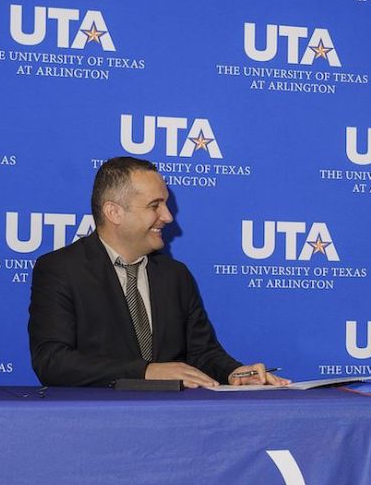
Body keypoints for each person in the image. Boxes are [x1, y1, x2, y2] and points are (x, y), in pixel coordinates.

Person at [28, 156, 286, 388]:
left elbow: (202, 353)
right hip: (98, 426)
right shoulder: (61, 269)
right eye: (155, 205)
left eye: (166, 204)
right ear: (114, 212)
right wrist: (146, 372)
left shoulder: (176, 276)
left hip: (173, 426)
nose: (168, 216)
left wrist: (234, 373)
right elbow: (52, 362)